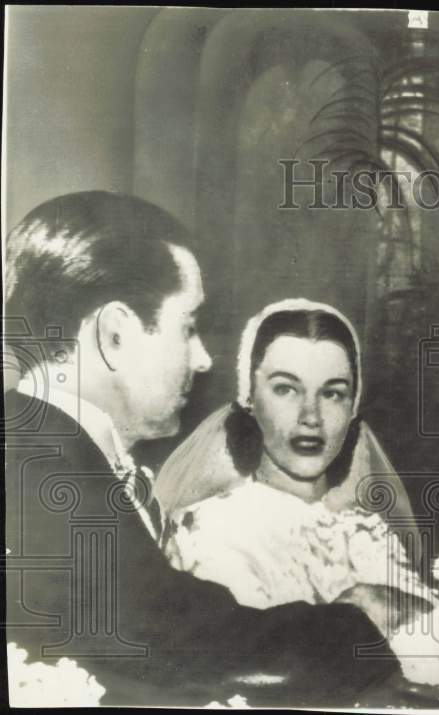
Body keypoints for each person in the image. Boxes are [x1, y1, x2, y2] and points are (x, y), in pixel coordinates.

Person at [3, 192, 399, 706]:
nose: (204, 358)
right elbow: (192, 648)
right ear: (114, 334)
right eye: (188, 327)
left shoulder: (42, 450)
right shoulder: (50, 479)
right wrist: (364, 622)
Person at [155, 299, 426, 610]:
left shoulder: (370, 528)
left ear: (353, 407)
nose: (311, 416)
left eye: (332, 393)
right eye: (286, 389)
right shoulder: (213, 530)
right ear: (249, 398)